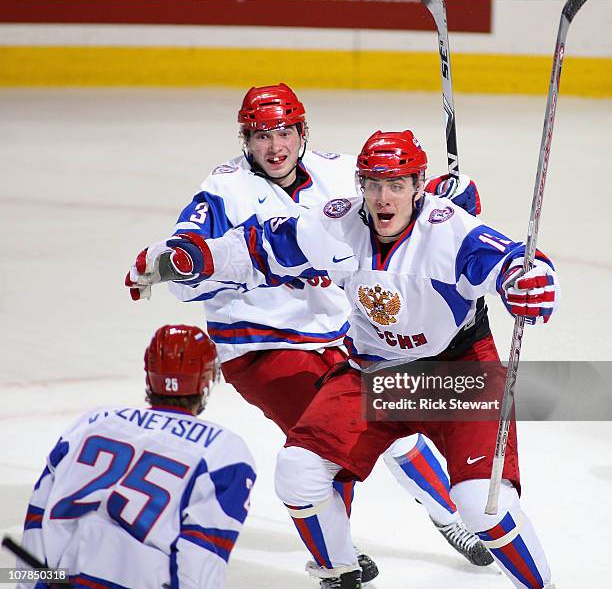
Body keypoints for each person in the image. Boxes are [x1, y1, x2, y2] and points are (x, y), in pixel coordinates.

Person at [127, 129, 559, 589]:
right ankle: (339, 573)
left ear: (419, 185)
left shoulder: (450, 229)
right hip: (374, 371)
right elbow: (258, 247)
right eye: (373, 184)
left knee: (480, 504)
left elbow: (515, 261)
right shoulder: (336, 223)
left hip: (458, 370)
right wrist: (199, 256)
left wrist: (529, 283)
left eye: (396, 184)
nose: (382, 197)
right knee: (299, 472)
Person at [17, 324, 256, 589]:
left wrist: (26, 585)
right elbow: (200, 557)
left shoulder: (91, 423)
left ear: (149, 374)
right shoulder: (225, 452)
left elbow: (38, 516)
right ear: (206, 382)